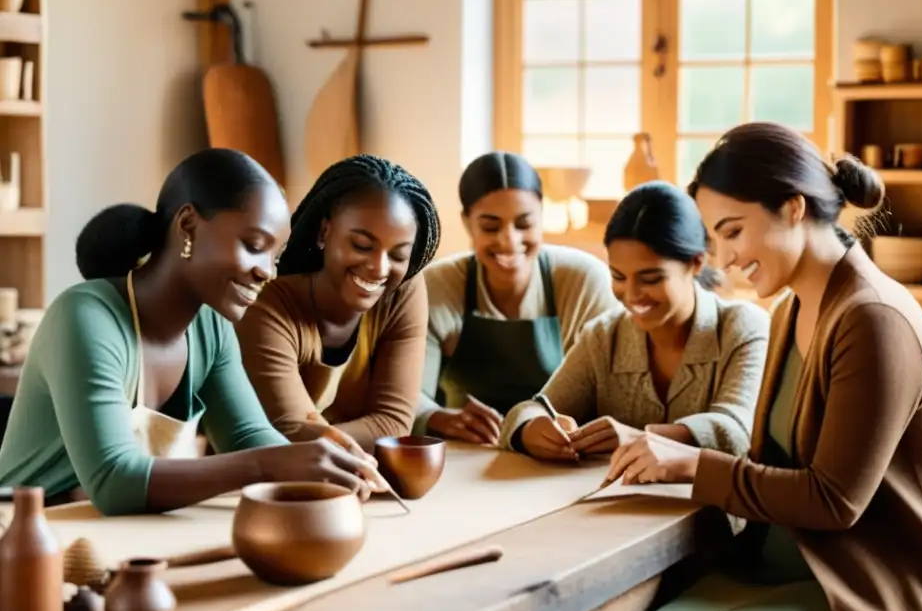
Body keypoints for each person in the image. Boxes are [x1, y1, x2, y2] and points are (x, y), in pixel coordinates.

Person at [582, 123, 922, 611]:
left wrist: (692, 463)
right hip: (802, 567)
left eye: (733, 232)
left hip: (883, 595)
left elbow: (833, 500)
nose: (723, 259)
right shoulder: (790, 311)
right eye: (713, 239)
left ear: (793, 208)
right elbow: (771, 465)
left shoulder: (873, 318)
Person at [0, 149, 379, 517]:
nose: (269, 272)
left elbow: (249, 439)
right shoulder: (84, 318)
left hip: (117, 539)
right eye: (254, 246)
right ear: (187, 226)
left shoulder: (211, 329)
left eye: (275, 257)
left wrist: (323, 463)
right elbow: (114, 481)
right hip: (25, 541)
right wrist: (272, 464)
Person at [499, 181, 768, 463]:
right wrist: (531, 428)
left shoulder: (743, 327)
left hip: (711, 505)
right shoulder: (604, 335)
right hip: (613, 505)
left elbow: (736, 431)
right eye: (618, 277)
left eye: (650, 279)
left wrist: (641, 438)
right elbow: (533, 408)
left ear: (696, 263)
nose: (631, 295)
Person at [234, 154, 440, 452]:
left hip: (341, 474)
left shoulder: (402, 291)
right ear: (324, 233)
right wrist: (324, 439)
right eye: (362, 246)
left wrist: (319, 438)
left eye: (397, 255)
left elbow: (393, 424)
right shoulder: (268, 305)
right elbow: (290, 434)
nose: (380, 267)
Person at [415, 151, 619, 445]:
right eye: (490, 226)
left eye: (524, 224)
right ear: (466, 222)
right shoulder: (437, 286)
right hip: (467, 455)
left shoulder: (584, 281)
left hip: (563, 452)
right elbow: (407, 393)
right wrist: (437, 418)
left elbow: (609, 392)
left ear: (542, 215)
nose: (509, 240)